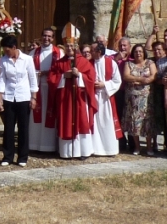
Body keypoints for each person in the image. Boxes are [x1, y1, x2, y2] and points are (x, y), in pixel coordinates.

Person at [47, 31, 97, 159]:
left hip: (80, 99)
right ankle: (67, 152)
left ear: (76, 46)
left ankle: (83, 151)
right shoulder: (59, 63)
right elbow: (51, 79)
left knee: (82, 121)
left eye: (72, 46)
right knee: (66, 120)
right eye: (67, 46)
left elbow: (91, 79)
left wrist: (80, 75)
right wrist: (64, 76)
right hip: (65, 100)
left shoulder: (84, 62)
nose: (69, 48)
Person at [0, 34, 38, 167]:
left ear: (14, 47)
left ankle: (22, 157)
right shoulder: (3, 60)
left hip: (23, 97)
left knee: (23, 128)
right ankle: (7, 156)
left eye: (7, 50)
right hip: (9, 96)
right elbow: (2, 79)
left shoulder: (27, 59)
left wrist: (34, 97)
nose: (6, 52)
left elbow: (32, 79)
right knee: (8, 128)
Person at [29, 27, 62, 153]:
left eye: (49, 36)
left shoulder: (58, 53)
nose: (46, 38)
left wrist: (48, 73)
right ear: (41, 37)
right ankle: (34, 144)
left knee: (50, 116)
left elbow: (61, 70)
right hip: (37, 88)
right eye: (44, 35)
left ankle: (49, 146)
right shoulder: (33, 53)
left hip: (51, 89)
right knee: (35, 118)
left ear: (53, 38)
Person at [122, 43, 157, 156]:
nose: (138, 53)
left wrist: (140, 81)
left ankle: (149, 148)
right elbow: (126, 76)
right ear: (133, 53)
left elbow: (153, 76)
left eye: (140, 51)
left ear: (144, 53)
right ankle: (137, 147)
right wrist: (141, 79)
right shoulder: (129, 64)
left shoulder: (150, 63)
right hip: (132, 99)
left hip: (146, 99)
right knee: (134, 123)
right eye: (136, 51)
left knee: (147, 123)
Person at [90, 43, 123, 156]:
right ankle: (95, 149)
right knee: (95, 122)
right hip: (93, 96)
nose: (90, 52)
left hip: (106, 96)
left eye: (92, 50)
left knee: (106, 122)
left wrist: (104, 84)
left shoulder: (111, 63)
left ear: (99, 51)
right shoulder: (89, 63)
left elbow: (117, 80)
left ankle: (110, 149)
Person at [114, 36, 134, 152]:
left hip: (131, 91)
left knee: (131, 118)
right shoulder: (113, 58)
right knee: (120, 117)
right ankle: (121, 142)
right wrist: (117, 59)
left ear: (129, 46)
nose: (122, 47)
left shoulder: (133, 58)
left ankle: (132, 143)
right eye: (121, 45)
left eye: (125, 45)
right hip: (119, 92)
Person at [152, 41, 167, 152]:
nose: (157, 52)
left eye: (159, 49)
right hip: (155, 93)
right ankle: (155, 143)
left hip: (165, 91)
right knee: (155, 118)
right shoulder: (151, 61)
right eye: (155, 50)